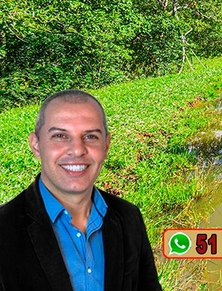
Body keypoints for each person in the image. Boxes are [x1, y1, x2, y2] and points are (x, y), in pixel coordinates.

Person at [0, 89, 162, 291]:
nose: (77, 150)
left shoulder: (129, 217)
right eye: (60, 135)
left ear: (106, 145)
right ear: (36, 145)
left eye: (91, 136)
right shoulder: (4, 229)